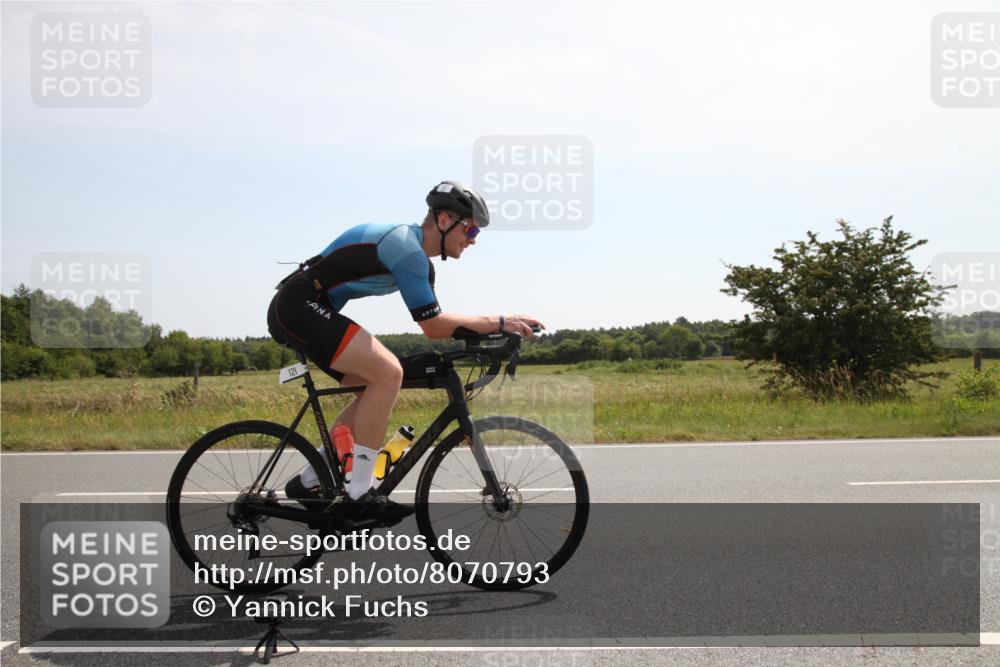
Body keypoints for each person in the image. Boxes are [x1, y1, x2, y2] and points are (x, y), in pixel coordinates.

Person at [267, 181, 544, 525]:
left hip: (311, 308)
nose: (473, 238)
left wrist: (496, 329)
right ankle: (359, 493)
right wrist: (501, 321)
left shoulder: (420, 263)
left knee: (374, 386)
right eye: (470, 227)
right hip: (299, 305)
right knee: (388, 373)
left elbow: (438, 322)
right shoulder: (406, 250)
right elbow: (434, 326)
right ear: (444, 220)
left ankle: (308, 482)